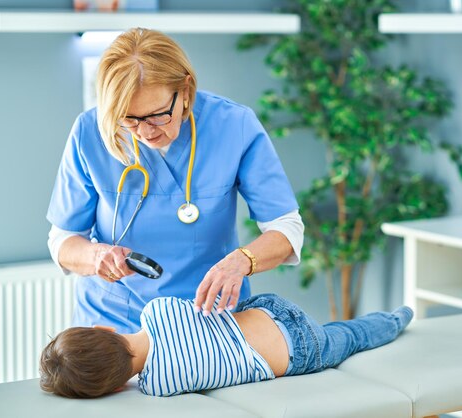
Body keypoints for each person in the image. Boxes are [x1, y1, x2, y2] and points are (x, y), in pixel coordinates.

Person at [46, 28, 303, 334]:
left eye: (157, 115)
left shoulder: (233, 125)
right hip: (115, 325)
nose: (145, 132)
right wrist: (96, 256)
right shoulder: (90, 131)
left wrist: (242, 261)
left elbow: (286, 228)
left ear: (185, 91)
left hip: (207, 319)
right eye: (128, 119)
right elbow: (62, 240)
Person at [39, 293, 414, 398]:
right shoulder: (158, 309)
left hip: (300, 356)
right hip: (271, 311)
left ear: (118, 385)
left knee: (351, 337)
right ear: (104, 328)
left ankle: (394, 320)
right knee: (341, 331)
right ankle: (396, 318)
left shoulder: (159, 386)